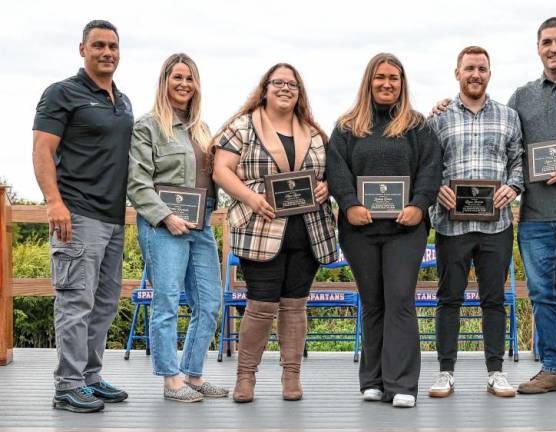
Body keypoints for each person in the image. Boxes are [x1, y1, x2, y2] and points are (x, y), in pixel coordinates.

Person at [433, 17, 556, 402]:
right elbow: (512, 153)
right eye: (546, 42)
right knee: (541, 294)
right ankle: (553, 369)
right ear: (538, 48)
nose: (553, 48)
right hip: (534, 215)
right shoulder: (520, 98)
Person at [212, 63, 338, 403]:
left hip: (308, 232)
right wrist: (252, 198)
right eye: (278, 83)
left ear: (300, 92)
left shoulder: (314, 132)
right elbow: (221, 170)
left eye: (292, 84)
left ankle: (291, 376)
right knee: (260, 306)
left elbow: (330, 173)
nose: (285, 88)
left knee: (296, 306)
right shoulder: (242, 126)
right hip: (260, 228)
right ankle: (246, 376)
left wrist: (327, 187)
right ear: (265, 88)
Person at [327, 52, 441, 408]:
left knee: (400, 299)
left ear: (402, 83)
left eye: (394, 78)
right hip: (359, 229)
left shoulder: (417, 126)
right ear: (369, 81)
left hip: (405, 230)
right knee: (373, 302)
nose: (387, 84)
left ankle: (402, 383)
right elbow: (337, 169)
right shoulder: (347, 126)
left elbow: (431, 169)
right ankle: (373, 380)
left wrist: (418, 205)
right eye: (380, 78)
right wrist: (349, 204)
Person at [32, 20, 132, 413]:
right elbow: (42, 150)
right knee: (75, 301)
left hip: (113, 218)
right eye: (98, 46)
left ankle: (90, 377)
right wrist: (53, 202)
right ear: (82, 50)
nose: (107, 52)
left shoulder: (121, 101)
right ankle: (67, 385)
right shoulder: (62, 93)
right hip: (77, 214)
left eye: (113, 46)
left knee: (105, 302)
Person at [127, 53, 228, 402]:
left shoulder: (203, 129)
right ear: (165, 81)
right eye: (177, 77)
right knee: (167, 302)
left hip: (200, 226)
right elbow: (137, 183)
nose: (184, 84)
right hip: (163, 226)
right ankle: (171, 379)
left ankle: (194, 375)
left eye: (190, 78)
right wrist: (166, 217)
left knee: (210, 302)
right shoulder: (148, 126)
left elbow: (218, 175)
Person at [427, 46, 523, 399]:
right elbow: (426, 164)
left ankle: (496, 372)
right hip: (451, 226)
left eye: (482, 68)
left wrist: (513, 187)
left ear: (489, 73)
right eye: (469, 68)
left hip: (495, 225)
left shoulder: (508, 116)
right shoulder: (437, 118)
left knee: (493, 300)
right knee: (448, 299)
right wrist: (437, 188)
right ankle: (445, 372)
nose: (476, 74)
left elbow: (518, 161)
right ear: (457, 73)